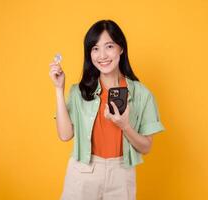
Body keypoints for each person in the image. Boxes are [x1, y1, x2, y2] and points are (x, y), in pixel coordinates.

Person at [49, 19, 165, 200]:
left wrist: (125, 126)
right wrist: (58, 88)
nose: (102, 55)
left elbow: (146, 147)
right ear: (90, 54)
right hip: (83, 172)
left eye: (109, 46)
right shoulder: (79, 91)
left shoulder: (142, 94)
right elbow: (65, 135)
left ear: (121, 48)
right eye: (95, 48)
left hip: (121, 174)